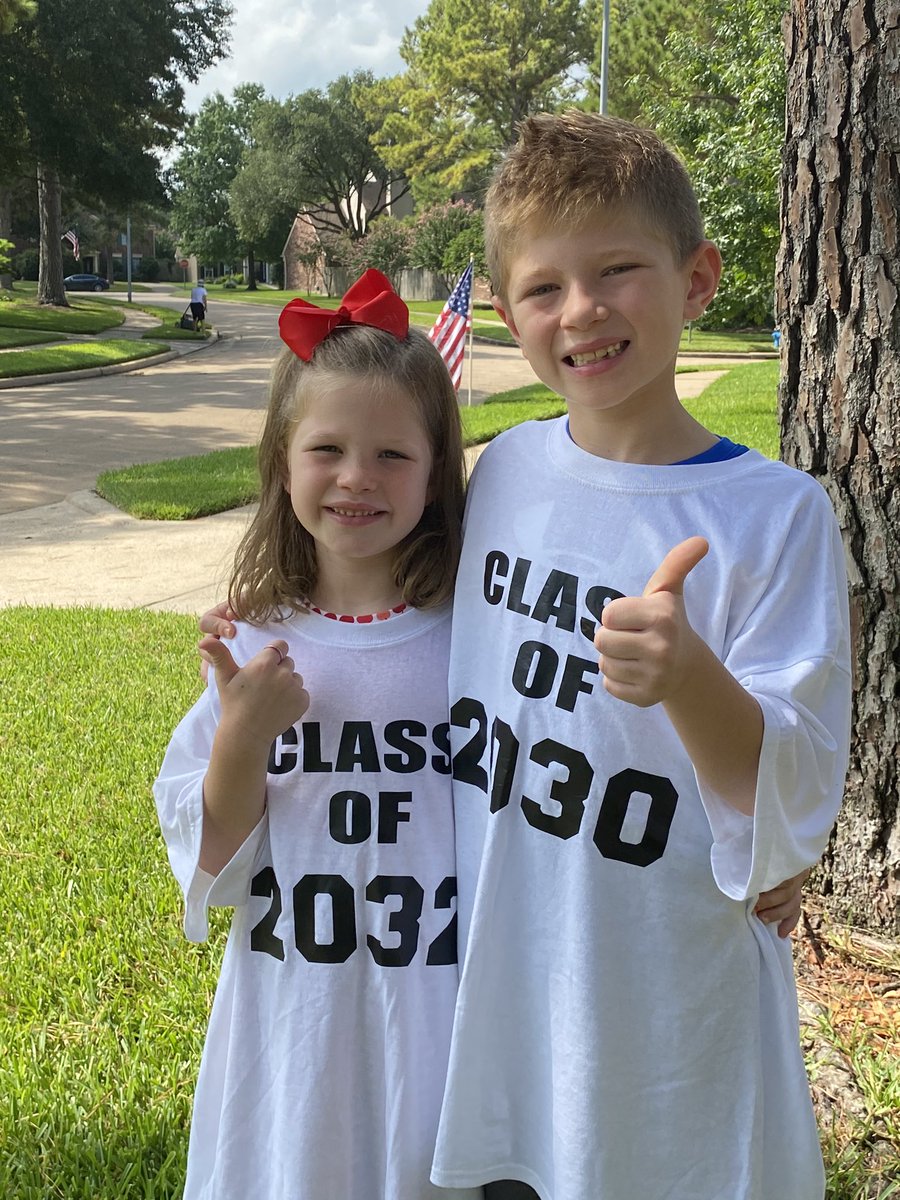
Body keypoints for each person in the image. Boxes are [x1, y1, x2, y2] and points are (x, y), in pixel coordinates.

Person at [421, 113, 851, 1200]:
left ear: (698, 276)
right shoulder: (503, 472)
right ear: (506, 307)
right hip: (507, 1001)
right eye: (542, 287)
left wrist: (691, 678)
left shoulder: (777, 515)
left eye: (617, 269)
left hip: (668, 1020)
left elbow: (792, 797)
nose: (582, 311)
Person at [153, 269, 479, 1200]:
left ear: (436, 471)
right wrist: (242, 736)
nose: (356, 478)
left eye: (393, 455)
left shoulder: (475, 640)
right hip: (294, 1017)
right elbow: (212, 871)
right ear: (283, 462)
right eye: (328, 448)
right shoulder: (251, 644)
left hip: (437, 1011)